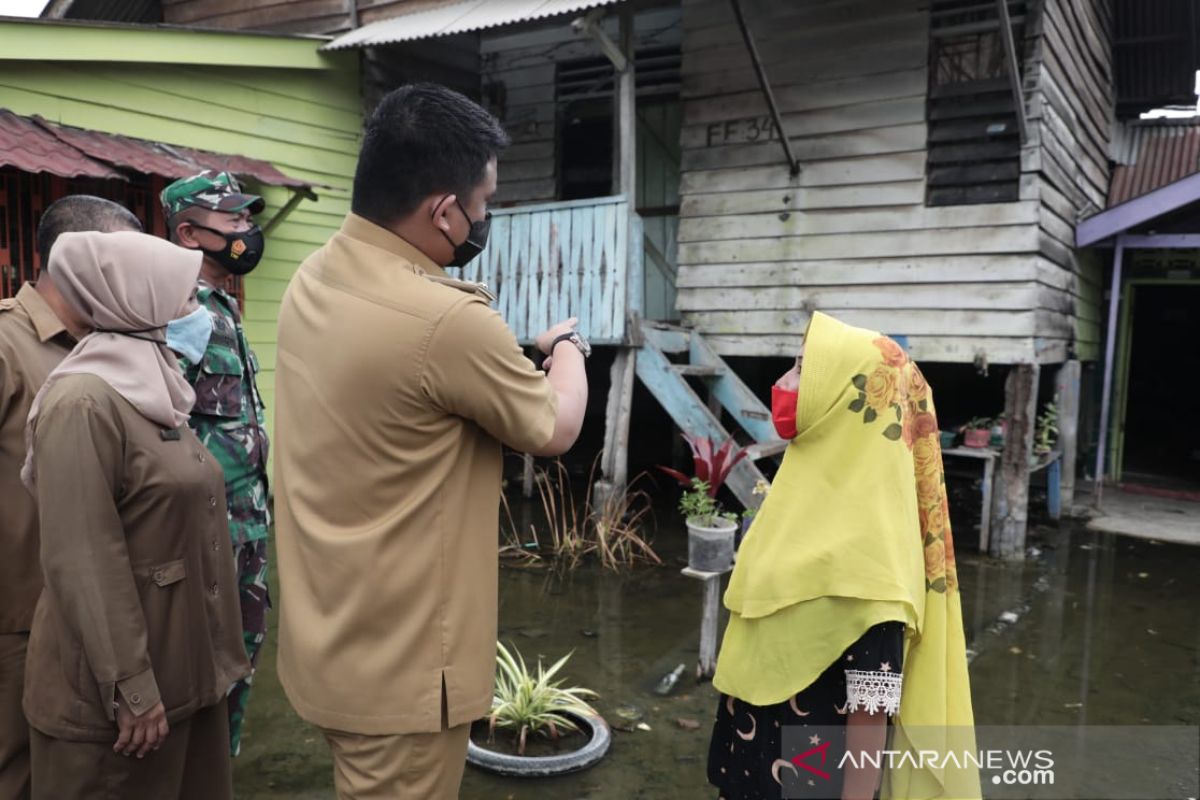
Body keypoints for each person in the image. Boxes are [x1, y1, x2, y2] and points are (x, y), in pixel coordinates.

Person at [274, 83, 589, 799]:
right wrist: (565, 349)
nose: (486, 218)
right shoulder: (444, 322)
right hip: (403, 676)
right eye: (485, 204)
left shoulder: (313, 278)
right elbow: (554, 427)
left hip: (328, 645)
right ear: (443, 212)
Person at [708, 311, 980, 800]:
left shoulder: (873, 560)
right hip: (745, 771)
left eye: (801, 369)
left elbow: (871, 708)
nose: (784, 382)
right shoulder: (796, 500)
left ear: (845, 397)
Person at [20, 230, 250, 800]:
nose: (197, 312)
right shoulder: (83, 402)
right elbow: (83, 557)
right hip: (118, 705)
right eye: (183, 298)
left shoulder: (157, 390)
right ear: (135, 302)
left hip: (185, 679)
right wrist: (132, 687)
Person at [0, 195, 141, 800]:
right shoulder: (8, 345)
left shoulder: (104, 348)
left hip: (87, 621)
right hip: (16, 625)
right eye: (122, 262)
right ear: (75, 263)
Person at [161, 170, 272, 757]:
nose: (247, 233)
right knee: (204, 679)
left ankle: (217, 778)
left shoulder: (222, 306)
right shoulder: (180, 312)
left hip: (246, 530)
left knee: (240, 671)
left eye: (247, 220)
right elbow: (160, 423)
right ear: (188, 233)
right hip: (208, 536)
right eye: (233, 222)